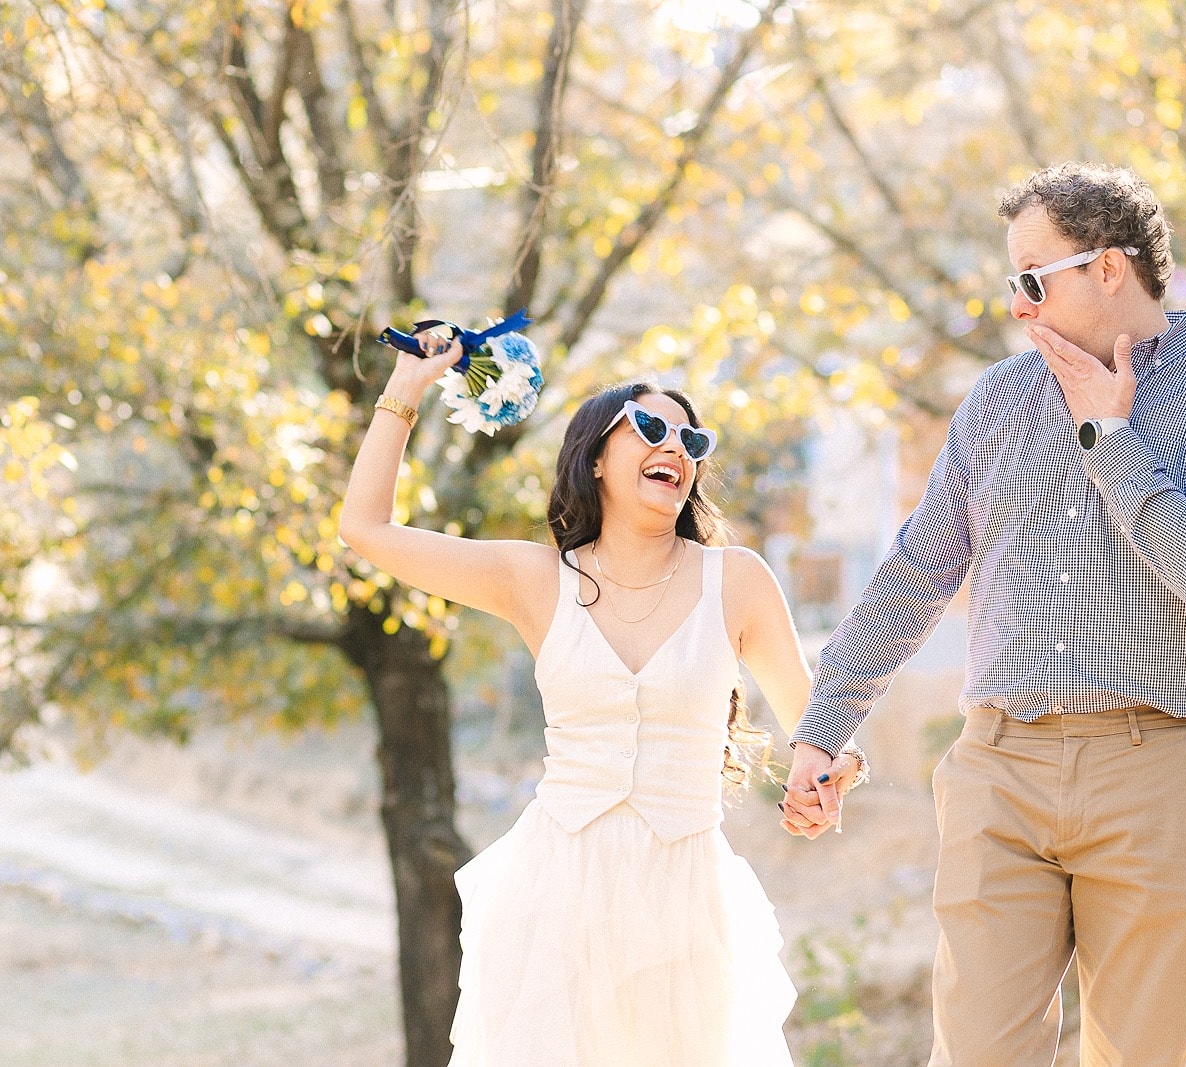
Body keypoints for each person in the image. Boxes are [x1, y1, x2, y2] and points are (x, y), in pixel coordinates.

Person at [780, 161, 1186, 1065]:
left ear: (1108, 270)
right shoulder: (998, 402)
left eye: (1030, 278)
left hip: (1153, 773)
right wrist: (826, 723)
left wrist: (1110, 436)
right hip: (998, 771)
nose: (1017, 306)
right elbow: (914, 574)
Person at [340, 330, 865, 1066]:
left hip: (688, 906)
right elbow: (365, 529)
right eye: (652, 428)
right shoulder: (534, 580)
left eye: (692, 438)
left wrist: (832, 773)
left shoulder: (737, 581)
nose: (677, 447)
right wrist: (407, 386)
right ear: (595, 456)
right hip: (556, 898)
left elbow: (818, 728)